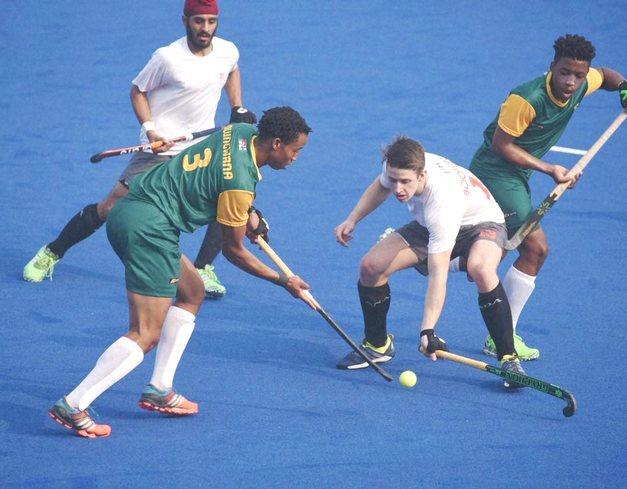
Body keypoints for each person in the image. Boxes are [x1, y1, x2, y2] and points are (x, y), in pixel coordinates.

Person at [48, 107, 316, 438]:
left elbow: (225, 183)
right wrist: (282, 280)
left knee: (192, 291)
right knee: (146, 332)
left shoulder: (239, 133)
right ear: (276, 143)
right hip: (149, 230)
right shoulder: (240, 183)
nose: (295, 158)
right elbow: (234, 252)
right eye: (295, 150)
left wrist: (249, 213)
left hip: (132, 211)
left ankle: (159, 387)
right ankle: (74, 403)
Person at [23, 0, 256, 301]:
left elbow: (232, 71)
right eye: (199, 21)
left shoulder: (228, 51)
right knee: (111, 207)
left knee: (222, 201)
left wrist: (237, 106)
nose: (205, 29)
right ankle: (52, 252)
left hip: (200, 149)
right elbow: (138, 90)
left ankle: (202, 269)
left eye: (211, 22)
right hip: (160, 149)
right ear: (185, 20)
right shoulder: (167, 58)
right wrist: (151, 130)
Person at [467, 34, 627, 360]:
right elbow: (501, 146)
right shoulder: (526, 99)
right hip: (495, 172)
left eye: (578, 75)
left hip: (517, 175)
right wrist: (550, 169)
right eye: (565, 72)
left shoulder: (582, 83)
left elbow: (606, 75)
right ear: (552, 67)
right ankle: (499, 337)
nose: (571, 82)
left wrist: (626, 86)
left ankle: (435, 247)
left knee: (499, 247)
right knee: (535, 248)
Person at [333, 136, 526, 387]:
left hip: (482, 224)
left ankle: (508, 357)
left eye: (405, 182)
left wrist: (427, 330)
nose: (398, 189)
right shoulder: (397, 165)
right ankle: (377, 345)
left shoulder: (442, 201)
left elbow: (438, 274)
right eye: (394, 179)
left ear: (422, 175)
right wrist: (353, 219)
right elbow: (380, 186)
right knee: (371, 267)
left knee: (481, 268)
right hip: (430, 226)